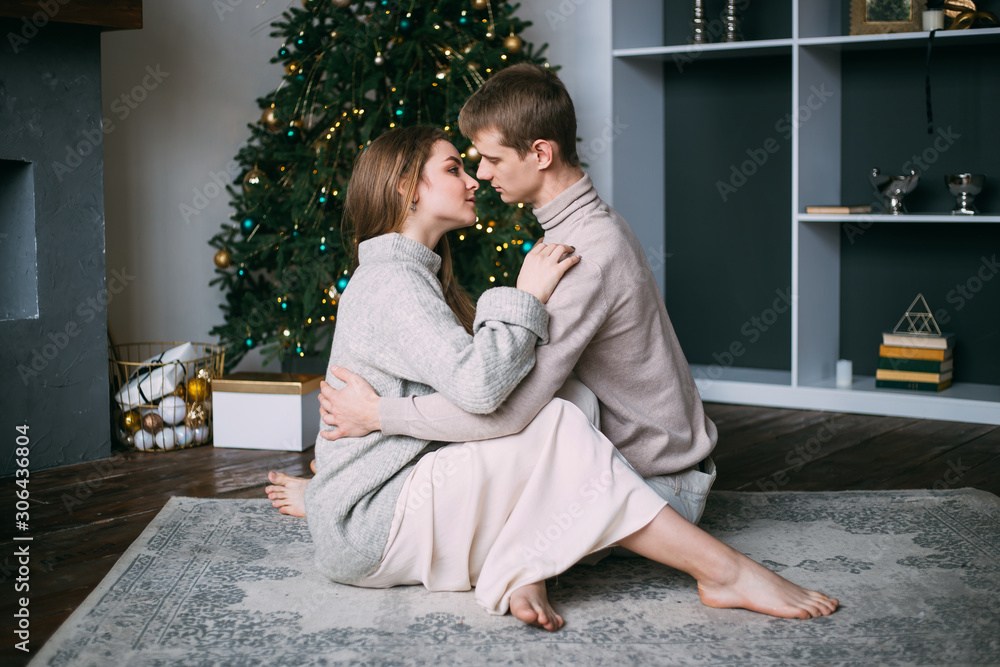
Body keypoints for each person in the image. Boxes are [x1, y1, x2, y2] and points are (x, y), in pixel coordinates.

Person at [268, 125, 838, 632]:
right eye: (454, 168)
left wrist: (352, 453)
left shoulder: (414, 274)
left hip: (385, 498)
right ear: (404, 187)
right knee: (563, 417)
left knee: (571, 398)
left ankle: (524, 559)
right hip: (370, 526)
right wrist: (527, 297)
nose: (473, 180)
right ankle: (722, 570)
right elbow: (479, 389)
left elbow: (472, 398)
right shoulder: (393, 282)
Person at [278, 62, 719, 529]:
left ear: (541, 154)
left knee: (530, 427)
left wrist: (375, 414)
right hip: (647, 470)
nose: (481, 176)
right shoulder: (578, 230)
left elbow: (503, 411)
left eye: (491, 159)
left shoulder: (583, 253)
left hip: (659, 487)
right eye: (468, 164)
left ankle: (345, 502)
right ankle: (346, 493)